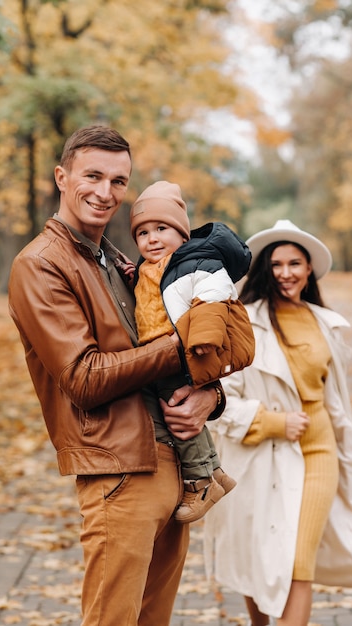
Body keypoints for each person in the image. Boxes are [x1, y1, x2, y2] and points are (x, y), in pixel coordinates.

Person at [7, 125, 228, 626]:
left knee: (153, 619)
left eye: (118, 181)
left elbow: (165, 345)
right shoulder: (40, 265)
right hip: (119, 471)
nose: (105, 192)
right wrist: (182, 346)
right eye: (92, 176)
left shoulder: (124, 261)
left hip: (173, 461)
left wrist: (209, 396)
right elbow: (83, 378)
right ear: (62, 177)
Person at [203, 219, 352, 626]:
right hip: (259, 456)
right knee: (259, 556)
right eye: (277, 264)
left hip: (320, 452)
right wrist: (271, 422)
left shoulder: (324, 322)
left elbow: (334, 396)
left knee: (298, 560)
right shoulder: (242, 320)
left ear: (308, 269)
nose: (286, 273)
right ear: (265, 269)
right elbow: (218, 397)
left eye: (295, 263)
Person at [127, 180, 254, 523]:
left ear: (182, 235)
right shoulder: (149, 268)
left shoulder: (194, 263)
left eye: (161, 228)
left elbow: (214, 298)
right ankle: (217, 472)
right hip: (159, 349)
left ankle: (200, 481)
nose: (151, 238)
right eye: (142, 233)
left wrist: (204, 338)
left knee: (177, 412)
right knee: (180, 409)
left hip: (182, 350)